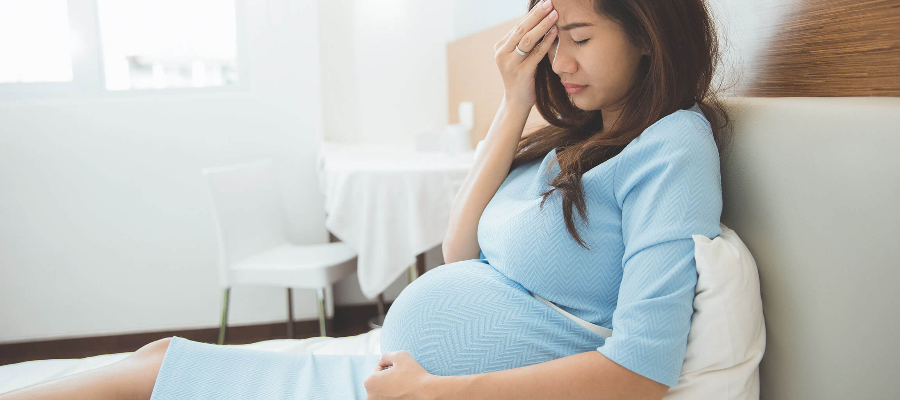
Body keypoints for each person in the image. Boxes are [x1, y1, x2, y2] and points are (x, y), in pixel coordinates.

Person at [0, 0, 729, 399]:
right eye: (547, 41)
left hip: (418, 390)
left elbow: (640, 373)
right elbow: (458, 252)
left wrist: (435, 393)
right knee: (161, 356)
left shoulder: (672, 144)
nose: (558, 63)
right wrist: (513, 103)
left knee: (157, 376)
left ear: (647, 32)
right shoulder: (576, 141)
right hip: (392, 372)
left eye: (576, 37)